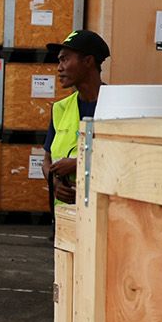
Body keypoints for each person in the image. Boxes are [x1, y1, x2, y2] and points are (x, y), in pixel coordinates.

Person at [42, 30, 109, 205]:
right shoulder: (60, 108)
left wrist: (78, 164)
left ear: (88, 61)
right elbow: (47, 159)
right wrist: (55, 184)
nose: (59, 68)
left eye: (65, 59)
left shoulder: (116, 105)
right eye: (59, 61)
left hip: (101, 216)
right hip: (63, 220)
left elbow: (125, 160)